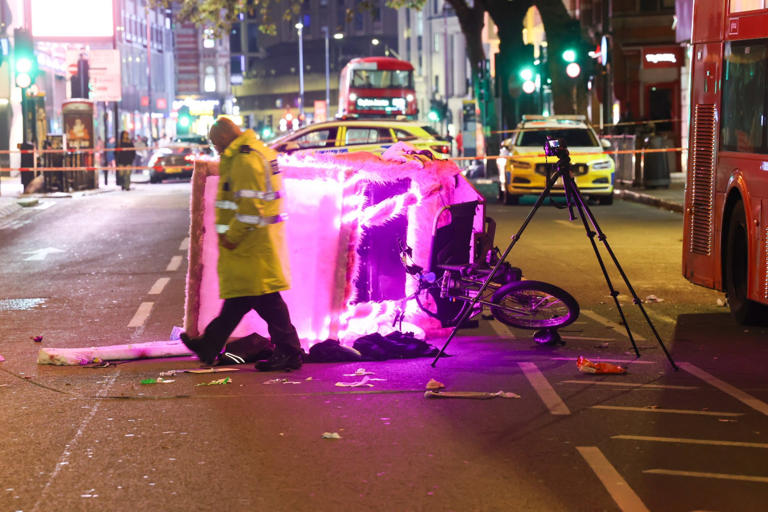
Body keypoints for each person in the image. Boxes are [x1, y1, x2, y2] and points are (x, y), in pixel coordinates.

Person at [181, 116, 303, 372]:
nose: (215, 149)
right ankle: (209, 345)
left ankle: (289, 352)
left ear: (225, 138)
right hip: (255, 243)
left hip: (250, 244)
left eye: (216, 143)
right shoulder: (251, 153)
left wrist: (231, 236)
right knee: (242, 299)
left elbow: (250, 206)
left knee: (265, 300)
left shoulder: (245, 159)